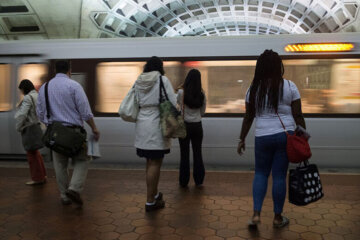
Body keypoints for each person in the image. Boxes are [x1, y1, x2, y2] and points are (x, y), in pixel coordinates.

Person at [237, 50, 306, 228]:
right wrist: (303, 138)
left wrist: (241, 139)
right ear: (278, 66)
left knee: (260, 174)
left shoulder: (253, 89)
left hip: (262, 136)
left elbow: (248, 117)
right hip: (285, 136)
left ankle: (256, 215)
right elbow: (298, 115)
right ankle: (277, 218)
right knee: (279, 177)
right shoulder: (290, 86)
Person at [37, 60, 100, 206]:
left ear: (55, 70)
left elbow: (40, 113)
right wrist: (94, 128)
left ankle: (64, 196)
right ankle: (74, 188)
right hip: (74, 134)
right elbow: (85, 112)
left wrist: (50, 125)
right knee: (83, 159)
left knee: (60, 165)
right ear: (69, 70)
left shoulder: (45, 88)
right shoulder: (74, 86)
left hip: (55, 133)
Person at [134, 56, 177, 212]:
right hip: (157, 124)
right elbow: (172, 103)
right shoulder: (162, 80)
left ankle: (154, 194)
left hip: (142, 124)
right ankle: (150, 201)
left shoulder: (138, 81)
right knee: (155, 162)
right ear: (160, 67)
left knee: (149, 161)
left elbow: (135, 101)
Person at [176, 69, 206, 187]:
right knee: (198, 153)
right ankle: (199, 180)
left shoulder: (181, 93)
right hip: (197, 126)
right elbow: (202, 112)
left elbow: (179, 106)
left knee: (184, 155)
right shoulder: (202, 94)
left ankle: (184, 181)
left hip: (184, 126)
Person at [15, 79, 47, 185]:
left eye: (21, 90)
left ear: (24, 88)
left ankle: (37, 178)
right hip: (36, 126)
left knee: (31, 155)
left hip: (29, 129)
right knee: (36, 153)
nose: (21, 92)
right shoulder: (36, 95)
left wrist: (18, 127)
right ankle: (42, 175)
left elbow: (22, 114)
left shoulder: (28, 98)